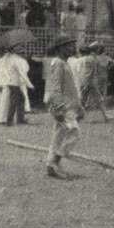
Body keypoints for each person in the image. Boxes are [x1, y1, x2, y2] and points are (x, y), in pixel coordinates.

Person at [39, 37, 81, 180]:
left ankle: (50, 166)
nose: (73, 48)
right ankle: (55, 162)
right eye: (70, 46)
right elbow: (55, 87)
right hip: (63, 107)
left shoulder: (65, 63)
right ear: (61, 48)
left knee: (57, 136)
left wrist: (79, 108)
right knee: (74, 133)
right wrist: (59, 108)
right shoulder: (58, 64)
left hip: (68, 106)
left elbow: (71, 89)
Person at [82, 41, 114, 123]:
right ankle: (106, 116)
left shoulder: (91, 58)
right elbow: (89, 72)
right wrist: (86, 84)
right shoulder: (91, 58)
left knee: (84, 99)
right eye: (97, 48)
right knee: (98, 99)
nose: (98, 50)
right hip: (91, 82)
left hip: (91, 81)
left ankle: (78, 117)